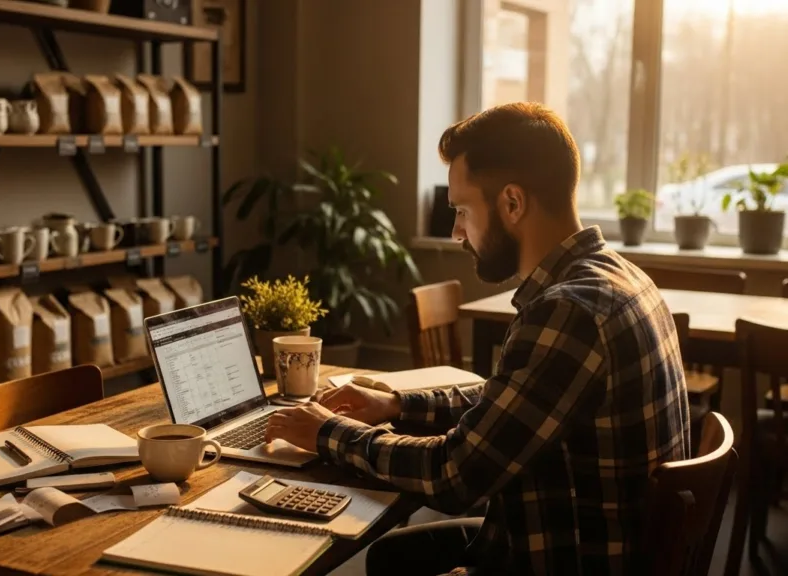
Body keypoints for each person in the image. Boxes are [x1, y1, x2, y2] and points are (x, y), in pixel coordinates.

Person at [265, 102, 691, 575]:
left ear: (512, 202)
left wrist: (326, 433)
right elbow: (511, 403)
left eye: (462, 210)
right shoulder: (619, 278)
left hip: (566, 560)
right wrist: (396, 407)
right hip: (587, 543)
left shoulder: (569, 312)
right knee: (392, 555)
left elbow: (454, 474)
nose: (456, 232)